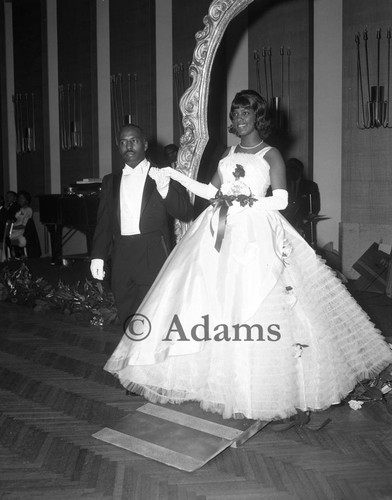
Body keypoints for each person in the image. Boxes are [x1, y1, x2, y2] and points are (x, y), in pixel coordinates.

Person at [103, 90, 392, 422]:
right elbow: (212, 192)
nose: (238, 121)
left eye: (244, 114)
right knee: (205, 296)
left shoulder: (271, 155)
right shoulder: (228, 152)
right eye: (235, 114)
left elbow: (281, 200)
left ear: (258, 118)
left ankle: (255, 387)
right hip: (219, 228)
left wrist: (245, 202)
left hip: (255, 231)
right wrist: (175, 176)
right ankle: (208, 378)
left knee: (254, 299)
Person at [90, 124, 193, 329]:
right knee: (126, 311)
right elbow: (104, 223)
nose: (128, 146)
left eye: (133, 140)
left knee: (155, 313)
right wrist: (98, 255)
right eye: (123, 142)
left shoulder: (164, 174)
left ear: (145, 144)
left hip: (153, 251)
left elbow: (185, 212)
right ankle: (132, 354)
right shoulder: (110, 181)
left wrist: (165, 189)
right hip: (121, 254)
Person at [281, 158, 320, 242]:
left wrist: (304, 220)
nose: (291, 172)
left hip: (304, 224)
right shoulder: (283, 185)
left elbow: (315, 207)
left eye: (294, 169)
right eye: (289, 169)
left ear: (300, 170)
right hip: (286, 223)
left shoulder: (311, 186)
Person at [9, 190, 33, 256]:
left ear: (27, 200)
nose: (19, 200)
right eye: (19, 198)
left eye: (22, 198)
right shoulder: (17, 209)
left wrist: (11, 227)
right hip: (12, 230)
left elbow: (24, 225)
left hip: (19, 232)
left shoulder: (28, 210)